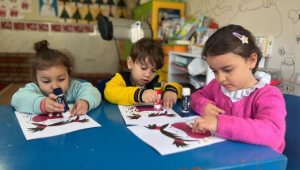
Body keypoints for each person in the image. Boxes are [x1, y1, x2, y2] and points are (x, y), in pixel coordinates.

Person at [190, 25, 286, 153]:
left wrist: (219, 123)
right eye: (214, 71)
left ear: (251, 61)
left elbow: (274, 133)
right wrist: (204, 105)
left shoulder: (268, 95)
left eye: (227, 70)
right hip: (225, 154)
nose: (220, 78)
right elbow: (196, 96)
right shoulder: (217, 86)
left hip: (259, 161)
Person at [11, 40, 101, 116]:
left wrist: (86, 101)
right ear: (37, 80)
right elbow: (17, 99)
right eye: (46, 81)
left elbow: (94, 92)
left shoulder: (74, 87)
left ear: (69, 76)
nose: (55, 86)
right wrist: (41, 104)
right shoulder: (34, 89)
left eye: (61, 79)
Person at [104, 38, 182, 108]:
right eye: (143, 68)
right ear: (130, 63)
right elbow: (109, 92)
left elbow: (179, 88)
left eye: (153, 70)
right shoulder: (120, 78)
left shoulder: (156, 82)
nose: (148, 74)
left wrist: (170, 91)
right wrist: (139, 94)